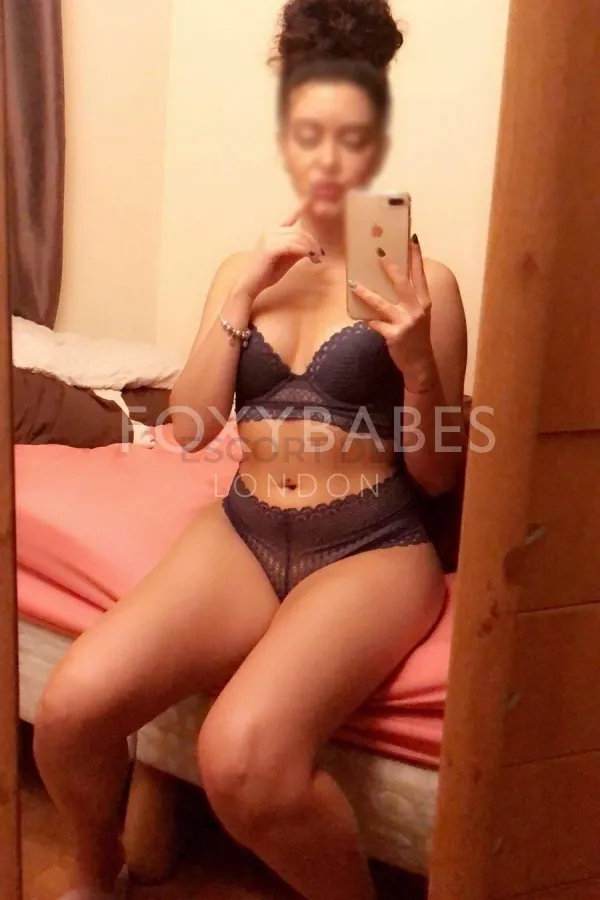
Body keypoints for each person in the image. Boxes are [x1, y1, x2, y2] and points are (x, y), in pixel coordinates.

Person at [36, 1, 468, 898]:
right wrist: (240, 299)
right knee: (70, 709)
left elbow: (436, 474)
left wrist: (419, 360)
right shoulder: (245, 271)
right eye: (309, 135)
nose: (329, 161)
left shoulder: (427, 282)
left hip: (371, 546)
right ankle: (97, 876)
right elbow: (189, 430)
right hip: (245, 527)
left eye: (351, 137)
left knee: (241, 760)